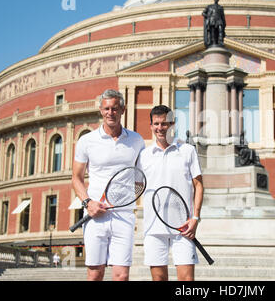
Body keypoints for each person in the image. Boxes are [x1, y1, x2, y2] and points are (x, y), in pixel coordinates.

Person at [72, 89, 145, 281]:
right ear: (100, 110)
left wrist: (129, 200)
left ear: (123, 110)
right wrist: (88, 203)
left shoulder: (137, 140)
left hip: (124, 216)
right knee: (95, 274)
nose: (110, 113)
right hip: (95, 215)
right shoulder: (86, 141)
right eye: (106, 108)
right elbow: (76, 178)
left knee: (121, 276)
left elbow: (140, 179)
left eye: (114, 108)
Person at [137, 105, 204, 281]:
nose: (160, 128)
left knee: (186, 281)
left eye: (165, 123)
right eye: (156, 124)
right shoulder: (143, 155)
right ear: (151, 126)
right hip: (153, 228)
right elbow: (136, 187)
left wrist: (195, 218)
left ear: (172, 124)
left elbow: (199, 186)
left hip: (183, 228)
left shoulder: (188, 150)